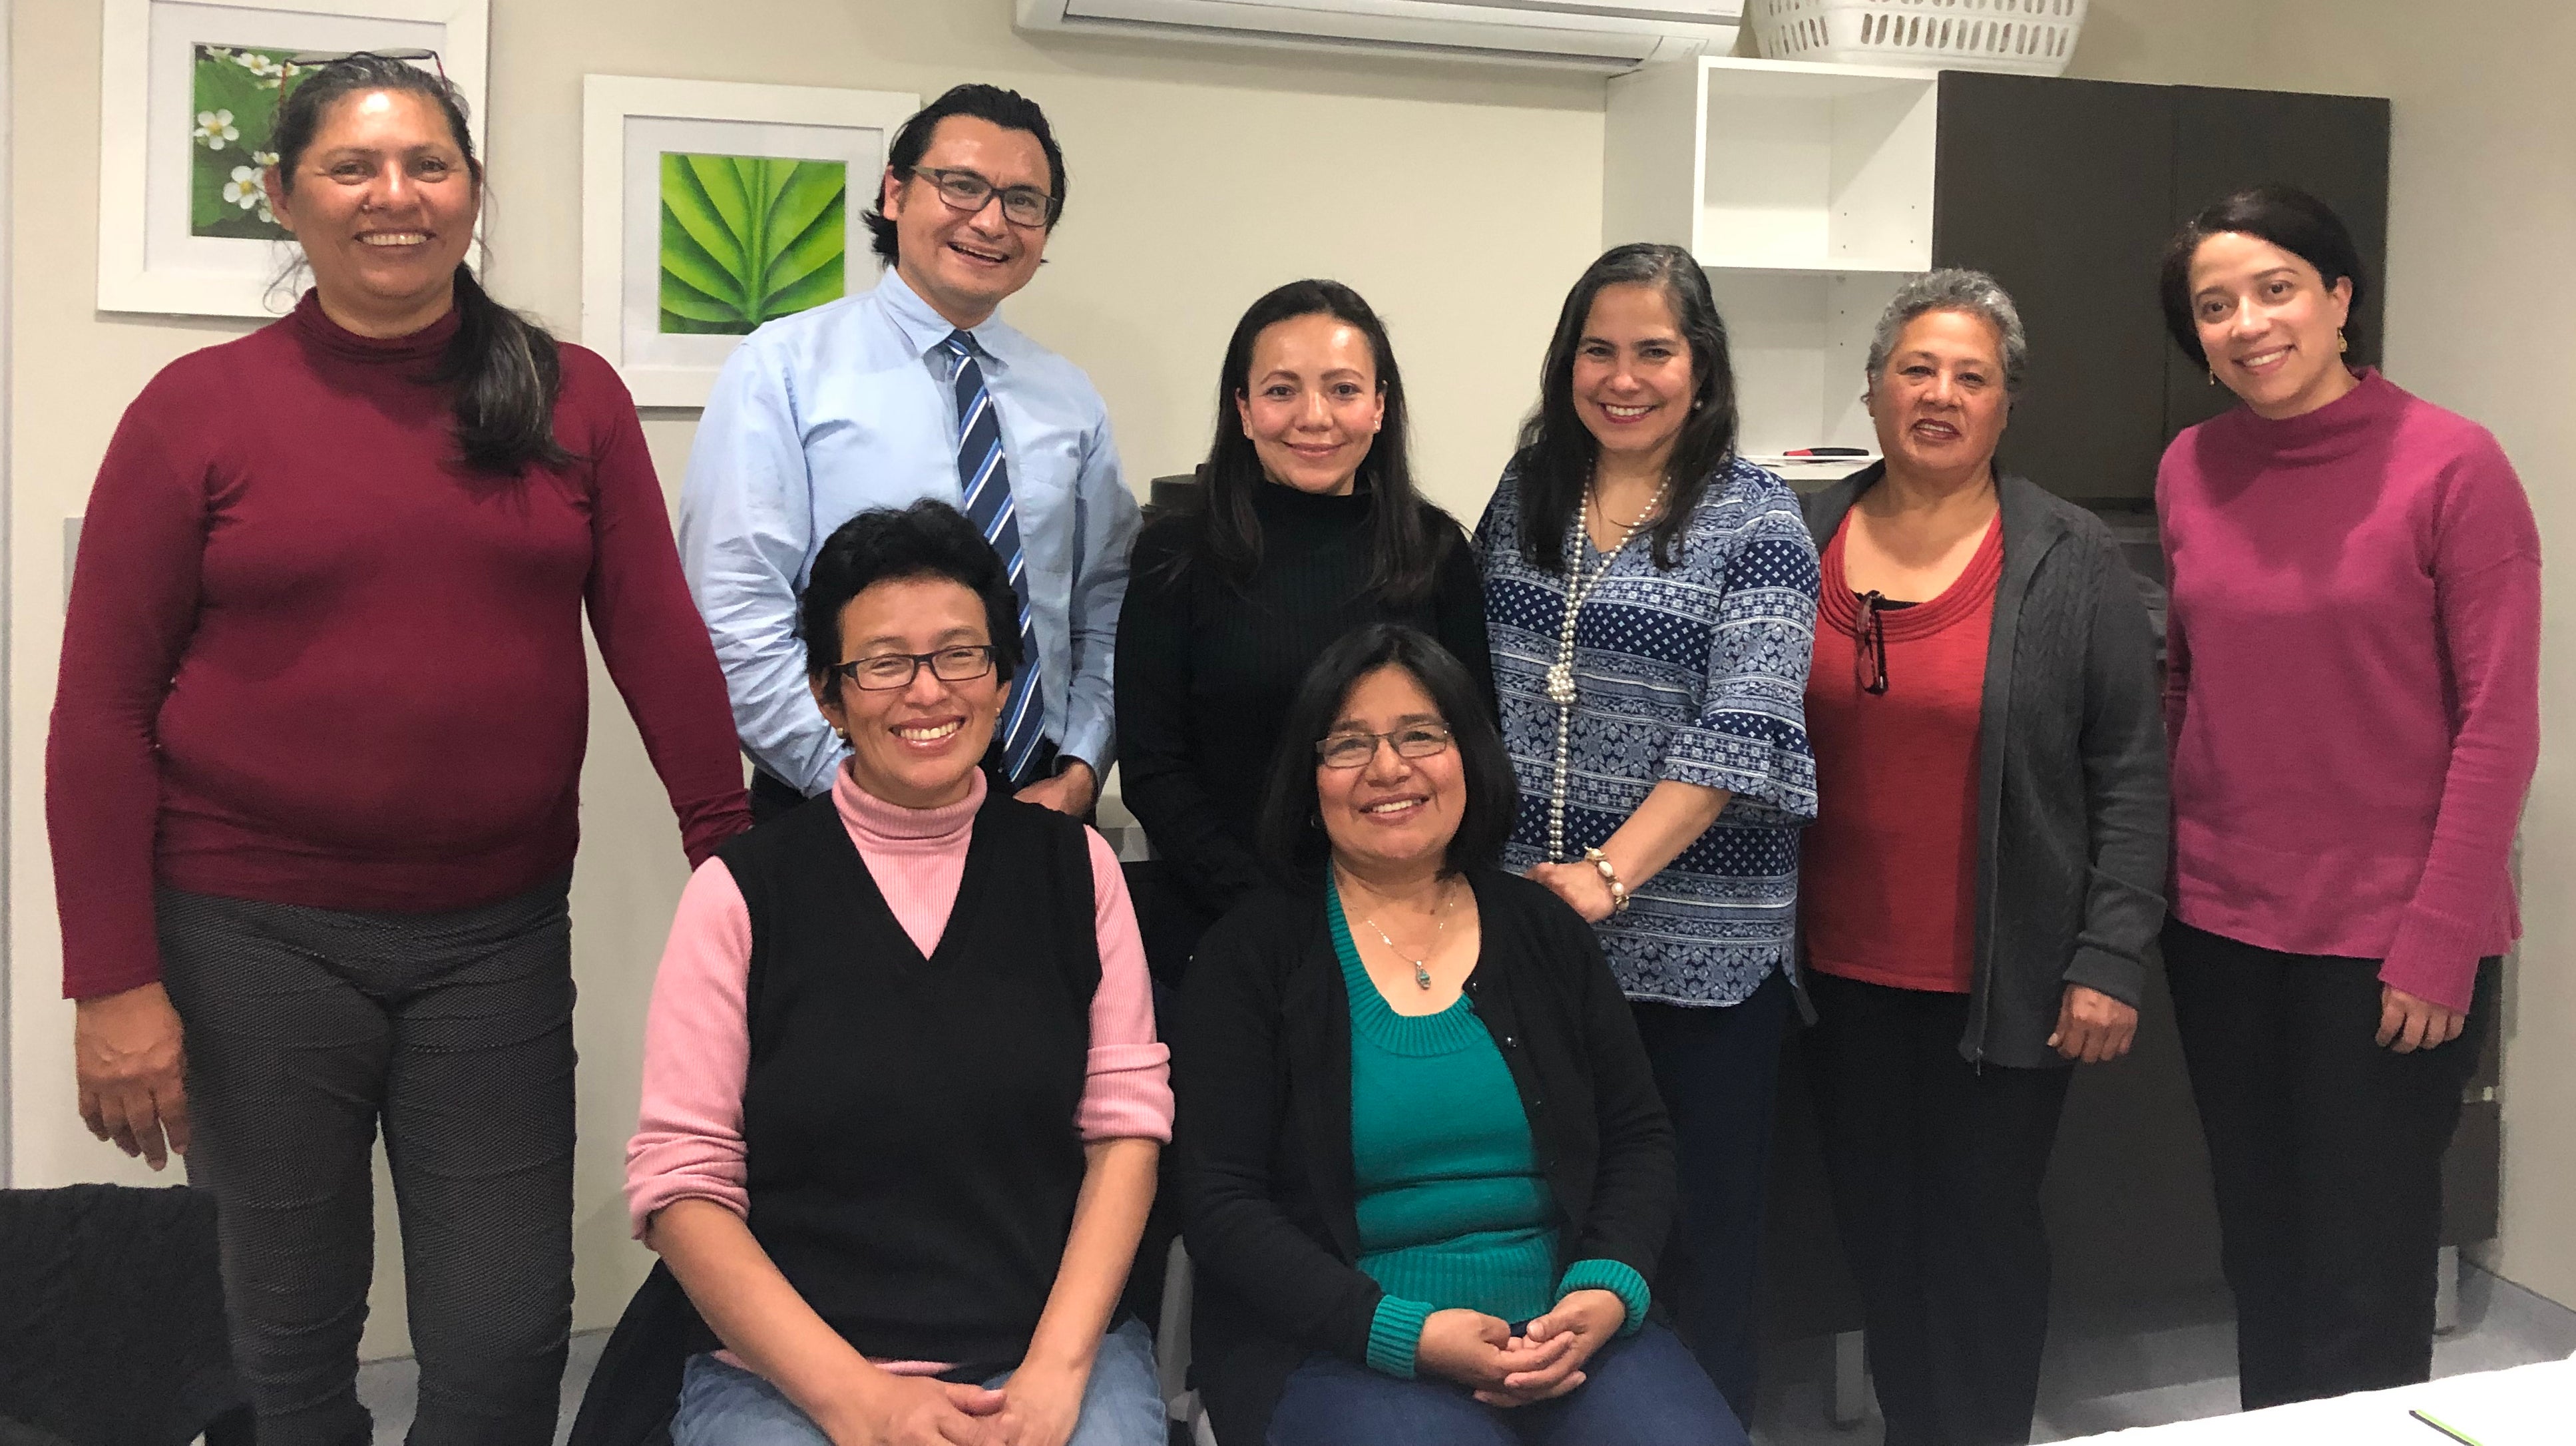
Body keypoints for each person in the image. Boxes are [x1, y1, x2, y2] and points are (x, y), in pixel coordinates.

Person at [49, 54, 751, 1446]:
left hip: (491, 940)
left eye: (430, 166)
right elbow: (101, 713)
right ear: (284, 200)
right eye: (352, 169)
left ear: (472, 194)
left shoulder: (573, 399)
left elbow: (661, 649)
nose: (396, 196)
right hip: (251, 932)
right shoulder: (195, 411)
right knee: (287, 1336)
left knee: (504, 1336)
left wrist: (739, 869)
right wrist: (111, 980)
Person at [625, 500, 1173, 1446]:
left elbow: (1125, 1131)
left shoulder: (1073, 870)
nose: (926, 692)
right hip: (795, 1369)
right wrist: (857, 1400)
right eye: (882, 663)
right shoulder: (740, 893)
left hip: (1040, 1346)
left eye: (960, 655)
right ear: (828, 695)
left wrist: (1055, 1369)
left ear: (1003, 682)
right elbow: (682, 1189)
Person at [2155, 186, 2540, 1410]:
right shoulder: (2191, 464)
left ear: (2339, 296)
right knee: (2258, 1244)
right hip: (2219, 927)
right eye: (2215, 306)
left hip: (2388, 942)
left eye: (2275, 288)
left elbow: (2500, 725)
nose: (2248, 323)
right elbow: (2186, 680)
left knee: (2363, 1273)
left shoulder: (2453, 464)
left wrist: (2440, 942)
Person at [1176, 622, 1739, 1446]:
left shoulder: (1545, 931)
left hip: (1567, 1326)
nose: (1389, 768)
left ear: (1468, 755)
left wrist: (1606, 1288)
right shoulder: (1250, 958)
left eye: (1421, 736)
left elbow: (1638, 1137)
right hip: (1341, 1342)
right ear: (1308, 780)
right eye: (1349, 745)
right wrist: (1404, 1333)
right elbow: (1219, 1203)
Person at [1797, 270, 2168, 1446]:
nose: (1942, 395)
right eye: (1918, 368)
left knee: (1982, 1235)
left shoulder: (2071, 558)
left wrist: (2111, 952)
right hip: (1835, 977)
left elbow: (2132, 768)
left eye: (1974, 377)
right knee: (1878, 1231)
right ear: (1871, 392)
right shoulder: (1800, 540)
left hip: (2005, 976)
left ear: (2008, 407)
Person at [1474, 242, 1819, 1420]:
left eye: (1654, 352)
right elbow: (1474, 684)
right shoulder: (1528, 491)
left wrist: (1608, 876)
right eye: (1599, 350)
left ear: (1702, 366)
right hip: (1531, 938)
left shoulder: (1759, 518)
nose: (1624, 378)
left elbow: (1746, 730)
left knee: (1699, 1231)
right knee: (1560, 1221)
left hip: (1702, 955)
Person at [680, 83, 1137, 824]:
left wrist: (1084, 765)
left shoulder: (1069, 397)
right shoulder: (785, 369)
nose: (991, 220)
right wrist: (856, 784)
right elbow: (734, 609)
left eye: (1024, 201)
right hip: (837, 798)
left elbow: (1107, 605)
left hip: (1037, 799)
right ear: (895, 192)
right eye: (961, 186)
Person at [1116, 278, 1493, 975]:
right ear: (1243, 409)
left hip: (1410, 929)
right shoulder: (1175, 552)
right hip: (1224, 927)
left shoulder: (1435, 550)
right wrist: (1272, 914)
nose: (1314, 417)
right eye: (1282, 390)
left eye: (1344, 390)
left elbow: (1472, 749)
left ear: (1380, 407)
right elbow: (1153, 767)